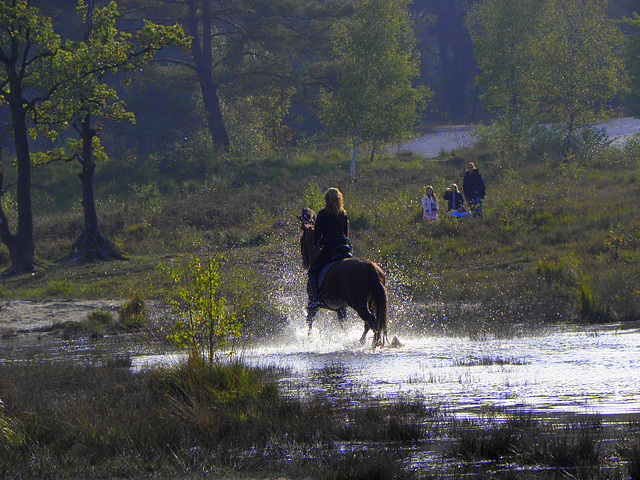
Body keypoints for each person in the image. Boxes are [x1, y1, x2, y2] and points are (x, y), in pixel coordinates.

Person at [307, 187, 352, 310]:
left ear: (326, 199)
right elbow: (346, 233)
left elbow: (317, 234)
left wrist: (316, 242)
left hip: (330, 248)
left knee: (312, 271)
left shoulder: (322, 213)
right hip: (344, 248)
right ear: (339, 199)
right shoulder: (343, 214)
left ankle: (315, 299)